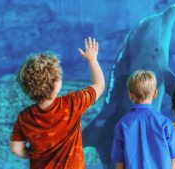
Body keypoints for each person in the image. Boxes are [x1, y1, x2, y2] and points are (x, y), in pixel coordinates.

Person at [10, 37, 105, 169]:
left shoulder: (24, 117)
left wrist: (32, 154)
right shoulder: (72, 103)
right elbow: (99, 85)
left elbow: (16, 149)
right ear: (56, 84)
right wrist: (92, 60)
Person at [111, 70, 175, 169]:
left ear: (130, 94)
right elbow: (174, 156)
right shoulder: (165, 123)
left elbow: (119, 162)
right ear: (155, 93)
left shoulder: (122, 124)